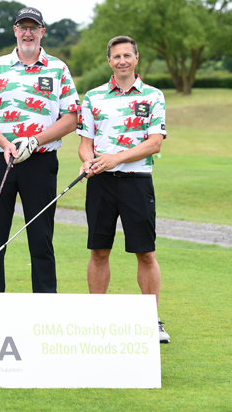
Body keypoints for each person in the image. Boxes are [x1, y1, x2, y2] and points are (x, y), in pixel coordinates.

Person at [0, 7, 80, 293]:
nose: (28, 33)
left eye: (34, 28)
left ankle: (45, 303)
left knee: (41, 237)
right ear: (15, 31)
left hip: (40, 163)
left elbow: (71, 118)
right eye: (23, 27)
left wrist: (34, 141)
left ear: (42, 32)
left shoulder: (58, 68)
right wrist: (5, 143)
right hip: (0, 159)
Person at [77, 35, 170, 343]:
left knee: (145, 252)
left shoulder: (153, 96)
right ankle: (97, 319)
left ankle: (152, 320)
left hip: (137, 181)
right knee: (99, 251)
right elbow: (85, 144)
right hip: (101, 183)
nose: (122, 61)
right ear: (109, 61)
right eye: (116, 56)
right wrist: (88, 161)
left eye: (127, 55)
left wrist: (115, 158)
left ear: (136, 58)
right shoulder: (93, 97)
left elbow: (154, 143)